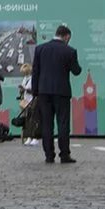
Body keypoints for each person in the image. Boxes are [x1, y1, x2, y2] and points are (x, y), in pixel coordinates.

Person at [31, 25, 82, 164]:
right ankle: (64, 155)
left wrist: (35, 91)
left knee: (47, 124)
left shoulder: (40, 49)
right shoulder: (70, 51)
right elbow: (76, 71)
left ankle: (49, 155)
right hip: (62, 92)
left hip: (43, 93)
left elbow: (35, 72)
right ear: (66, 36)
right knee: (63, 124)